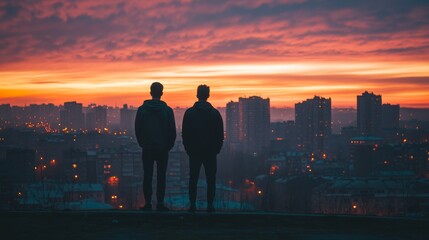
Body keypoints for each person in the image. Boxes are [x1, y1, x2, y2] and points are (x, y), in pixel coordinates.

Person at [182, 85, 224, 212]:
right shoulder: (215, 114)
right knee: (211, 179)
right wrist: (216, 150)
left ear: (197, 95)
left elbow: (185, 134)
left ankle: (192, 205)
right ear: (208, 95)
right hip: (210, 153)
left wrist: (189, 150)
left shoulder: (189, 113)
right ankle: (210, 205)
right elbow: (220, 135)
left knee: (193, 178)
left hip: (194, 152)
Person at [135, 82, 176, 211]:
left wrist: (143, 143)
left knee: (147, 175)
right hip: (162, 149)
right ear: (162, 93)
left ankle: (148, 203)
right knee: (161, 176)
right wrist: (167, 146)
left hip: (147, 148)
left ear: (150, 93)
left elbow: (138, 129)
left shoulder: (142, 110)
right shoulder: (167, 111)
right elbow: (172, 131)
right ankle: (160, 203)